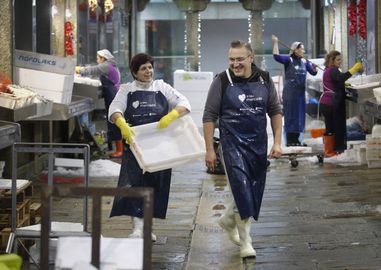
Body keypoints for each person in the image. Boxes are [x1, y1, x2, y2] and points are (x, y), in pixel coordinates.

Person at [203, 40, 283, 258]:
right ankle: (246, 242)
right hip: (231, 145)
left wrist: (277, 142)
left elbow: (275, 111)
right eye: (231, 59)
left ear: (251, 58)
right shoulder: (222, 80)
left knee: (253, 190)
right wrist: (209, 150)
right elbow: (209, 116)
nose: (235, 64)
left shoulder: (264, 79)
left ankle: (228, 220)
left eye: (239, 59)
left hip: (257, 145)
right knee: (242, 187)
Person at [108, 53, 191, 241]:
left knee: (155, 186)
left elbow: (185, 103)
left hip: (160, 146)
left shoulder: (162, 87)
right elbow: (114, 109)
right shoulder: (126, 90)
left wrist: (171, 116)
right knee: (135, 184)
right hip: (136, 146)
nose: (148, 71)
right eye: (143, 68)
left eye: (150, 67)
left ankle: (147, 228)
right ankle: (137, 228)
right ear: (135, 72)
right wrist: (122, 124)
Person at [271, 35, 318, 146]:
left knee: (299, 117)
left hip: (300, 95)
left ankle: (297, 140)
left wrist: (315, 68)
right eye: (301, 49)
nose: (303, 51)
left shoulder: (305, 62)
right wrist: (275, 43)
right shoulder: (289, 60)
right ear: (295, 49)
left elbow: (313, 72)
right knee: (291, 116)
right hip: (290, 94)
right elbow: (276, 57)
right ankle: (290, 141)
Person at [75, 49, 123, 158]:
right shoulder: (111, 65)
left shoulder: (106, 65)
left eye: (98, 58)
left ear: (103, 58)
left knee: (114, 122)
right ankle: (116, 148)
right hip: (113, 95)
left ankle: (120, 151)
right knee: (113, 121)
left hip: (113, 95)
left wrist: (78, 69)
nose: (97, 60)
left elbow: (93, 70)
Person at [320, 50, 363, 157]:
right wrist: (354, 69)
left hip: (326, 104)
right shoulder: (333, 70)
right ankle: (332, 151)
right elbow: (340, 77)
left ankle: (330, 151)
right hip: (331, 104)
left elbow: (336, 81)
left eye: (341, 59)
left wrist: (343, 84)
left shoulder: (328, 70)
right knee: (335, 128)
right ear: (332, 60)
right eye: (338, 59)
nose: (340, 62)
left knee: (330, 128)